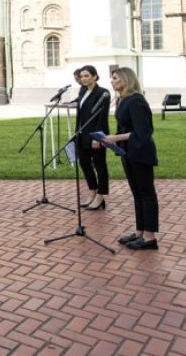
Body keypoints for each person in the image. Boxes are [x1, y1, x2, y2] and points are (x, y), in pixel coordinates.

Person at [101, 67, 160, 251]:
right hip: (127, 152)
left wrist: (116, 138)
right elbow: (124, 127)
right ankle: (140, 232)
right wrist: (110, 141)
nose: (111, 81)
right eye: (111, 78)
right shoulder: (122, 100)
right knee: (137, 193)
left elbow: (143, 132)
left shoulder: (136, 101)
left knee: (146, 193)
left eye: (115, 78)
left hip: (140, 152)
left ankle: (150, 238)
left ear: (126, 80)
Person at [73, 66, 111, 210]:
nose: (83, 79)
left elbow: (102, 117)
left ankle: (101, 196)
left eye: (86, 76)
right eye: (81, 76)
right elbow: (81, 112)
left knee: (100, 165)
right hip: (82, 134)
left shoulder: (103, 93)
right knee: (84, 163)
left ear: (95, 76)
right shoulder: (82, 91)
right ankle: (92, 191)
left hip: (96, 135)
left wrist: (97, 137)